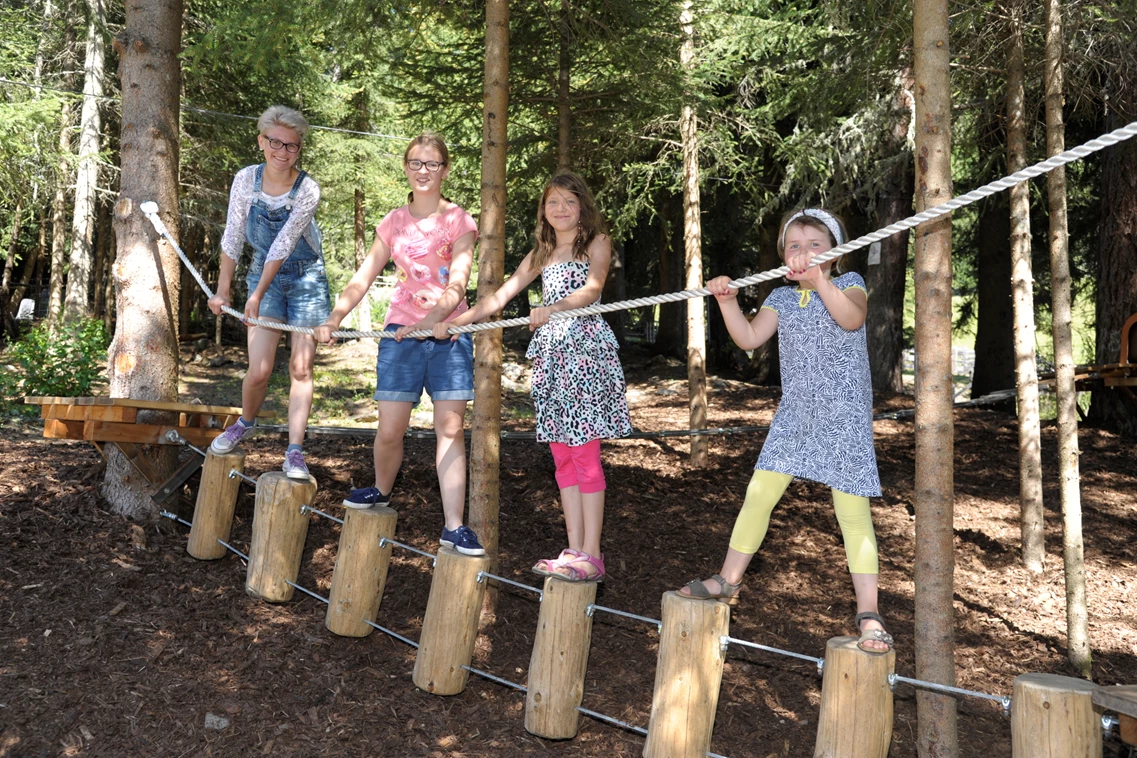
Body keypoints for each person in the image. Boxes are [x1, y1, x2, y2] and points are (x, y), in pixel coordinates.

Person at [677, 208, 892, 654]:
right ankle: (727, 579)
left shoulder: (849, 286)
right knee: (759, 495)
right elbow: (750, 338)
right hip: (795, 415)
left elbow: (850, 320)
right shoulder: (778, 298)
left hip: (843, 417)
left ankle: (869, 613)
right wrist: (727, 302)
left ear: (836, 253)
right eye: (794, 246)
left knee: (852, 515)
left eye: (815, 245)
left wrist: (820, 281)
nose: (803, 253)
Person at [433, 171, 631, 582]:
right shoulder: (541, 251)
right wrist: (456, 322)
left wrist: (555, 306)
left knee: (585, 455)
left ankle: (593, 554)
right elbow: (501, 296)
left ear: (583, 207)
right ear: (544, 210)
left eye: (569, 202)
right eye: (553, 202)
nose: (560, 209)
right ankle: (573, 548)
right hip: (552, 360)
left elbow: (593, 290)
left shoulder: (595, 242)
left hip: (584, 355)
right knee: (562, 455)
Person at [314, 134, 485, 556]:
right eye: (416, 162)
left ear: (445, 169)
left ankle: (454, 526)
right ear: (406, 167)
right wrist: (336, 316)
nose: (423, 170)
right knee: (391, 428)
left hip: (448, 335)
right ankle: (381, 490)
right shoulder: (393, 222)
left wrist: (431, 322)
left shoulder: (459, 220)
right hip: (400, 335)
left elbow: (460, 281)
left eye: (432, 163)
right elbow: (363, 276)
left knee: (449, 429)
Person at [208, 105, 330, 480]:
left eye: (291, 146)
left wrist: (256, 295)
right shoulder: (246, 179)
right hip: (263, 270)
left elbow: (284, 243)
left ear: (299, 149)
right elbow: (232, 234)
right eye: (275, 142)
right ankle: (245, 422)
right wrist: (223, 290)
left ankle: (294, 450)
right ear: (262, 141)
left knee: (301, 367)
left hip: (305, 276)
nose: (282, 152)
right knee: (259, 370)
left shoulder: (307, 189)